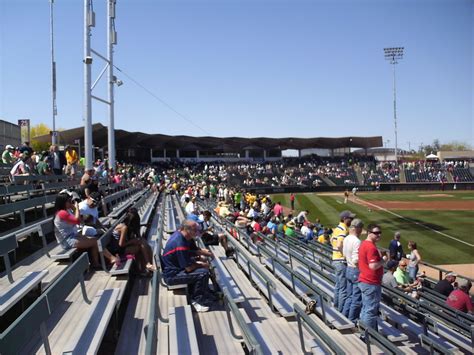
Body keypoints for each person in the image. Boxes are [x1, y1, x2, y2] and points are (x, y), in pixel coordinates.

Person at [161, 220, 214, 312]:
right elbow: (188, 268)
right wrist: (201, 265)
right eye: (195, 230)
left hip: (176, 269)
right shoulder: (180, 243)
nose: (197, 232)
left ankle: (205, 293)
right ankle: (197, 301)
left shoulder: (180, 235)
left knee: (201, 266)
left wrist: (199, 256)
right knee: (203, 273)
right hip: (172, 276)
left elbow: (187, 254)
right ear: (187, 230)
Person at [53, 190, 102, 268]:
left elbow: (78, 221)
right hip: (67, 240)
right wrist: (76, 208)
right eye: (69, 201)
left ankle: (95, 263)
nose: (71, 203)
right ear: (63, 202)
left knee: (95, 239)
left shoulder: (66, 211)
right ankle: (95, 264)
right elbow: (76, 221)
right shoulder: (62, 213)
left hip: (72, 236)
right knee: (95, 241)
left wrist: (75, 209)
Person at [358, 223, 387, 330]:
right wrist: (383, 260)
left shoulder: (364, 243)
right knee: (370, 311)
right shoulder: (371, 247)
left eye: (380, 233)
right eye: (376, 233)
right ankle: (367, 336)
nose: (379, 235)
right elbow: (373, 266)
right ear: (369, 233)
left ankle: (365, 332)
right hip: (371, 283)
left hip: (366, 281)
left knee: (366, 309)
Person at [109, 208, 156, 273]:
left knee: (146, 245)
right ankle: (146, 266)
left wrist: (138, 239)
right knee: (140, 247)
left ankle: (148, 266)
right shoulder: (124, 227)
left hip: (123, 247)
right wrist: (133, 241)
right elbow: (121, 244)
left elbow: (138, 237)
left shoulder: (131, 226)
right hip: (117, 250)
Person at [331, 210, 355, 312]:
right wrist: (345, 256)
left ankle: (336, 306)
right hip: (340, 261)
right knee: (343, 288)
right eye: (351, 218)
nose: (352, 220)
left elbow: (332, 241)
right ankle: (340, 311)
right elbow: (339, 244)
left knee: (338, 286)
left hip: (336, 259)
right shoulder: (343, 229)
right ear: (345, 219)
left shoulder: (337, 228)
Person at [342, 218, 363, 322]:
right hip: (355, 269)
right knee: (356, 298)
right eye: (360, 228)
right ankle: (352, 320)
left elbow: (344, 254)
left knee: (349, 296)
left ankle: (344, 317)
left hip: (348, 268)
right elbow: (356, 260)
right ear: (357, 228)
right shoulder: (357, 241)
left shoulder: (347, 238)